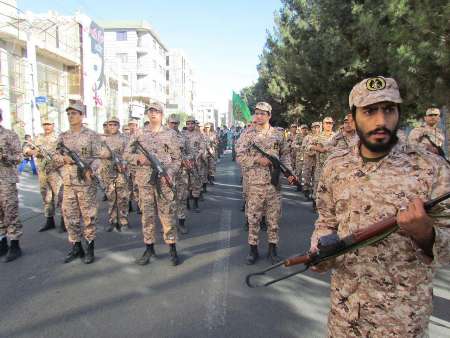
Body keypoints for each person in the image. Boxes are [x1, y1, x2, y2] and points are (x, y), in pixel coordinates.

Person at [310, 76, 450, 337]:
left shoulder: (430, 167)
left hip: (401, 322)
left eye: (389, 110)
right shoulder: (336, 165)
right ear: (354, 115)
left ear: (399, 112)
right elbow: (326, 220)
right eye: (370, 111)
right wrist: (320, 250)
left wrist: (426, 234)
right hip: (345, 317)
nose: (381, 121)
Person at [236, 102, 295, 265]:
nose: (259, 116)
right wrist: (257, 160)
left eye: (263, 113)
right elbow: (239, 157)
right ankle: (253, 249)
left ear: (269, 115)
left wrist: (289, 173)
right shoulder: (247, 135)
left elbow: (285, 156)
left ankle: (272, 249)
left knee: (273, 218)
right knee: (253, 218)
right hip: (254, 184)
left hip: (274, 183)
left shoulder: (277, 134)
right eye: (257, 113)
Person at [125, 102, 182, 266]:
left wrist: (169, 173)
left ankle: (172, 248)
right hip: (145, 181)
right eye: (150, 111)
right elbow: (126, 154)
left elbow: (177, 159)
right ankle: (149, 248)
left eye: (156, 111)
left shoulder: (170, 134)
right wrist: (138, 159)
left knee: (167, 215)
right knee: (147, 216)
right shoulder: (139, 133)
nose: (153, 114)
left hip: (164, 181)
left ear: (162, 114)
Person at [54, 102, 104, 264]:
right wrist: (63, 159)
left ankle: (89, 248)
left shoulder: (91, 135)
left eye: (74, 114)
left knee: (88, 217)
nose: (71, 116)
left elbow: (99, 157)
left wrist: (91, 170)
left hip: (86, 184)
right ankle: (76, 247)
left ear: (82, 115)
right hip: (68, 184)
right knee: (70, 217)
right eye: (69, 114)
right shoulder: (63, 136)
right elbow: (54, 157)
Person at [32, 119, 65, 233]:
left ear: (53, 125)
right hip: (43, 172)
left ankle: (64, 221)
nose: (46, 126)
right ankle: (49, 220)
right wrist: (32, 152)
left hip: (56, 172)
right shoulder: (38, 137)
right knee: (46, 197)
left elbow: (64, 153)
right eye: (44, 124)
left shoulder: (59, 137)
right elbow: (30, 149)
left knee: (61, 197)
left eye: (49, 124)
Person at [0, 109, 23, 262]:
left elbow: (19, 156)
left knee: (10, 212)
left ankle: (15, 244)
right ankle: (2, 243)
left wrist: (5, 157)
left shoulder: (9, 135)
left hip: (6, 180)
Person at [100, 117, 130, 232]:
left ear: (118, 126)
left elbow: (129, 154)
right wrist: (104, 155)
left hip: (121, 172)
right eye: (110, 125)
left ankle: (123, 221)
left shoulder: (125, 139)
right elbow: (97, 154)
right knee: (111, 197)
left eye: (114, 125)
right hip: (108, 173)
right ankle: (113, 221)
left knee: (122, 198)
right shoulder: (103, 140)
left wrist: (123, 163)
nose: (112, 127)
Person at [167, 114, 190, 234]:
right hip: (167, 173)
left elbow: (189, 153)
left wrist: (187, 160)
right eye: (172, 123)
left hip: (181, 172)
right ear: (168, 123)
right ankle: (168, 224)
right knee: (167, 199)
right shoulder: (162, 137)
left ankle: (181, 223)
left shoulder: (183, 137)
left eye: (176, 123)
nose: (174, 125)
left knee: (181, 197)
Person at [182, 116, 206, 213]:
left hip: (196, 163)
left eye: (192, 123)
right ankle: (187, 202)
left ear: (194, 124)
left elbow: (202, 147)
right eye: (188, 124)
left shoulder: (199, 135)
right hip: (185, 163)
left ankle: (195, 203)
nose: (190, 125)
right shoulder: (182, 135)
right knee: (185, 183)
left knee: (195, 183)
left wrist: (198, 155)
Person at [308, 116, 335, 206]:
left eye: (330, 123)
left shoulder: (336, 136)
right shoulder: (318, 136)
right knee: (318, 184)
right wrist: (318, 148)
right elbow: (308, 147)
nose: (328, 125)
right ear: (323, 124)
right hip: (320, 165)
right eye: (326, 123)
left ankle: (328, 204)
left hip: (333, 166)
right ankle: (315, 202)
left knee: (330, 186)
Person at [301, 122, 321, 199]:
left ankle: (314, 191)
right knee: (307, 175)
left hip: (318, 160)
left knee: (316, 176)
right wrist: (312, 151)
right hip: (308, 159)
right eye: (314, 127)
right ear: (312, 128)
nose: (316, 129)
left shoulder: (321, 137)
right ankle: (306, 189)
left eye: (317, 127)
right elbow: (303, 147)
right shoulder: (307, 137)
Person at [293, 124, 309, 191]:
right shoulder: (298, 136)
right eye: (303, 128)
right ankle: (298, 185)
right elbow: (294, 144)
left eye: (305, 128)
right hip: (299, 156)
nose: (304, 130)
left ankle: (306, 187)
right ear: (301, 129)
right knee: (298, 171)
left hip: (307, 156)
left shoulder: (309, 136)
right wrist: (299, 147)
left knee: (306, 172)